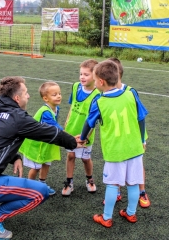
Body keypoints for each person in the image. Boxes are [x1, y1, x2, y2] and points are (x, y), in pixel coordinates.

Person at [0, 76, 82, 239]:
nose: (29, 96)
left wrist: (15, 157)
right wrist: (72, 142)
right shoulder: (18, 117)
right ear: (17, 98)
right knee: (40, 192)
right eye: (26, 93)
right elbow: (46, 132)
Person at [78, 60, 148, 228]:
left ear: (101, 82)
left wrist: (82, 137)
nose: (94, 83)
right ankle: (131, 214)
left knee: (112, 184)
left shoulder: (99, 102)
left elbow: (88, 123)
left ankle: (107, 217)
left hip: (115, 152)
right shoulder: (131, 93)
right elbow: (141, 117)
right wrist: (142, 139)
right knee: (133, 182)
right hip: (134, 148)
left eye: (94, 80)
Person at [102, 57, 150, 208]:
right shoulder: (104, 95)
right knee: (117, 164)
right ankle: (116, 191)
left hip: (134, 137)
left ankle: (142, 192)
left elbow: (140, 116)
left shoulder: (130, 92)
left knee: (136, 164)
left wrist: (142, 139)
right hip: (116, 138)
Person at [62, 59, 100, 196]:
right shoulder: (76, 86)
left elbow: (94, 120)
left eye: (86, 74)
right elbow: (72, 106)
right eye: (81, 74)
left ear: (95, 76)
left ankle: (89, 179)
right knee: (70, 155)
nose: (82, 77)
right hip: (71, 130)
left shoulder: (98, 94)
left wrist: (86, 137)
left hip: (86, 134)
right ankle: (69, 182)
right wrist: (66, 123)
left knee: (85, 158)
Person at [19, 81, 63, 196]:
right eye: (54, 94)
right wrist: (71, 138)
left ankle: (42, 184)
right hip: (36, 144)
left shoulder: (56, 108)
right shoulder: (45, 112)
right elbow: (56, 127)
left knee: (46, 163)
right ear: (45, 98)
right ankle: (29, 188)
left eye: (59, 93)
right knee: (36, 167)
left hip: (46, 142)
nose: (58, 96)